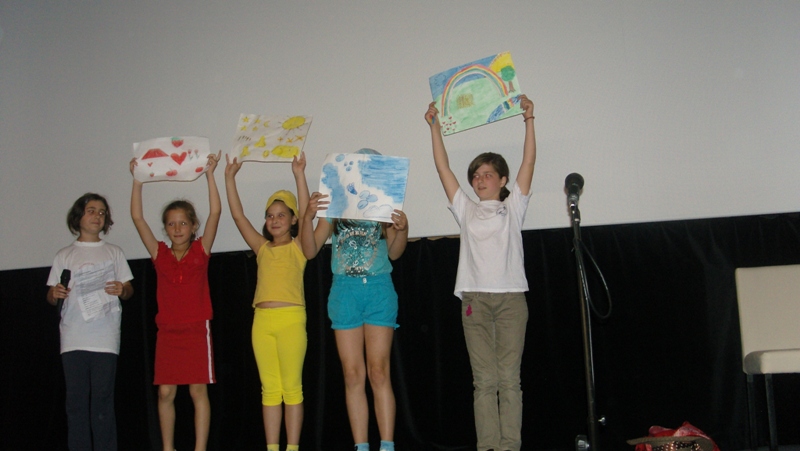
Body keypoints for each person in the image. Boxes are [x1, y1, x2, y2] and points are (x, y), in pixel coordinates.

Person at [424, 95, 536, 451]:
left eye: (488, 174)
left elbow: (529, 161)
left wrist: (529, 120)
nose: (479, 179)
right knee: (484, 380)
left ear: (503, 180)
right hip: (474, 299)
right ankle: (488, 446)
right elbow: (443, 168)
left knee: (510, 379)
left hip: (510, 300)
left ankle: (510, 446)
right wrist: (435, 127)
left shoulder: (513, 206)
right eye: (476, 175)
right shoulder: (466, 208)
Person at [300, 149, 409, 451]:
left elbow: (395, 253)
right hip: (344, 291)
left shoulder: (383, 203)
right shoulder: (336, 206)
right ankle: (361, 446)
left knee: (379, 371)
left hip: (378, 288)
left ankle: (386, 446)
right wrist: (307, 217)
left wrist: (403, 230)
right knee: (352, 374)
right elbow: (309, 250)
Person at [129, 151, 221, 451]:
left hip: (196, 330)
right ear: (166, 228)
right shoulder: (160, 254)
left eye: (183, 223)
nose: (177, 228)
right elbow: (137, 218)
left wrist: (210, 175)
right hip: (168, 332)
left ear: (193, 226)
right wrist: (138, 181)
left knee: (197, 393)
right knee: (165, 393)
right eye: (171, 224)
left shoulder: (201, 251)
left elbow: (215, 213)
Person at [224, 152, 310, 451]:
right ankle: (272, 448)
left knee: (292, 388)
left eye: (281, 215)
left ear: (293, 220)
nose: (274, 220)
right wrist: (229, 178)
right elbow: (238, 216)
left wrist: (299, 174)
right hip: (261, 322)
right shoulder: (261, 247)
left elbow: (307, 213)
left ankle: (292, 448)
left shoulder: (299, 247)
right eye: (270, 215)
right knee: (270, 390)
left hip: (291, 321)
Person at [46, 193, 135, 451]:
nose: (97, 216)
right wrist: (55, 293)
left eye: (102, 212)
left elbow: (129, 290)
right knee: (76, 404)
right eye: (91, 211)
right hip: (73, 338)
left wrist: (122, 289)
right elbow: (51, 295)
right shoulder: (64, 254)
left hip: (105, 338)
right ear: (78, 217)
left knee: (102, 403)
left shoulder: (114, 252)